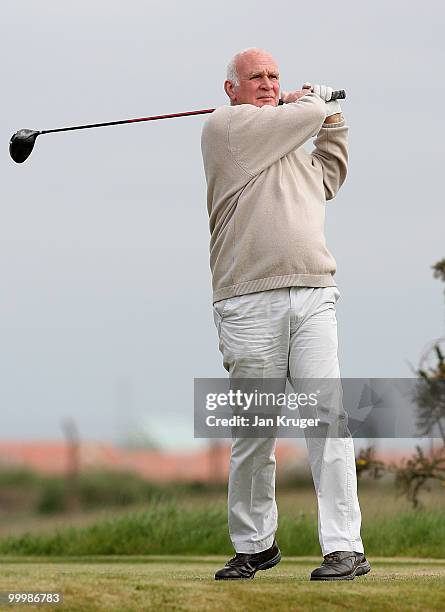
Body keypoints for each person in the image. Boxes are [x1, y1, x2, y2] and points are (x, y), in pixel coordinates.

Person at [200, 48, 371, 581]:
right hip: (248, 298)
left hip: (315, 291)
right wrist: (314, 102)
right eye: (256, 77)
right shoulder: (225, 128)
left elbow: (329, 177)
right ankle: (255, 545)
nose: (269, 83)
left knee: (329, 422)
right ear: (232, 88)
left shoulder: (288, 136)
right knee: (256, 429)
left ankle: (344, 547)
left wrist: (332, 119)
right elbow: (299, 119)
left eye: (275, 76)